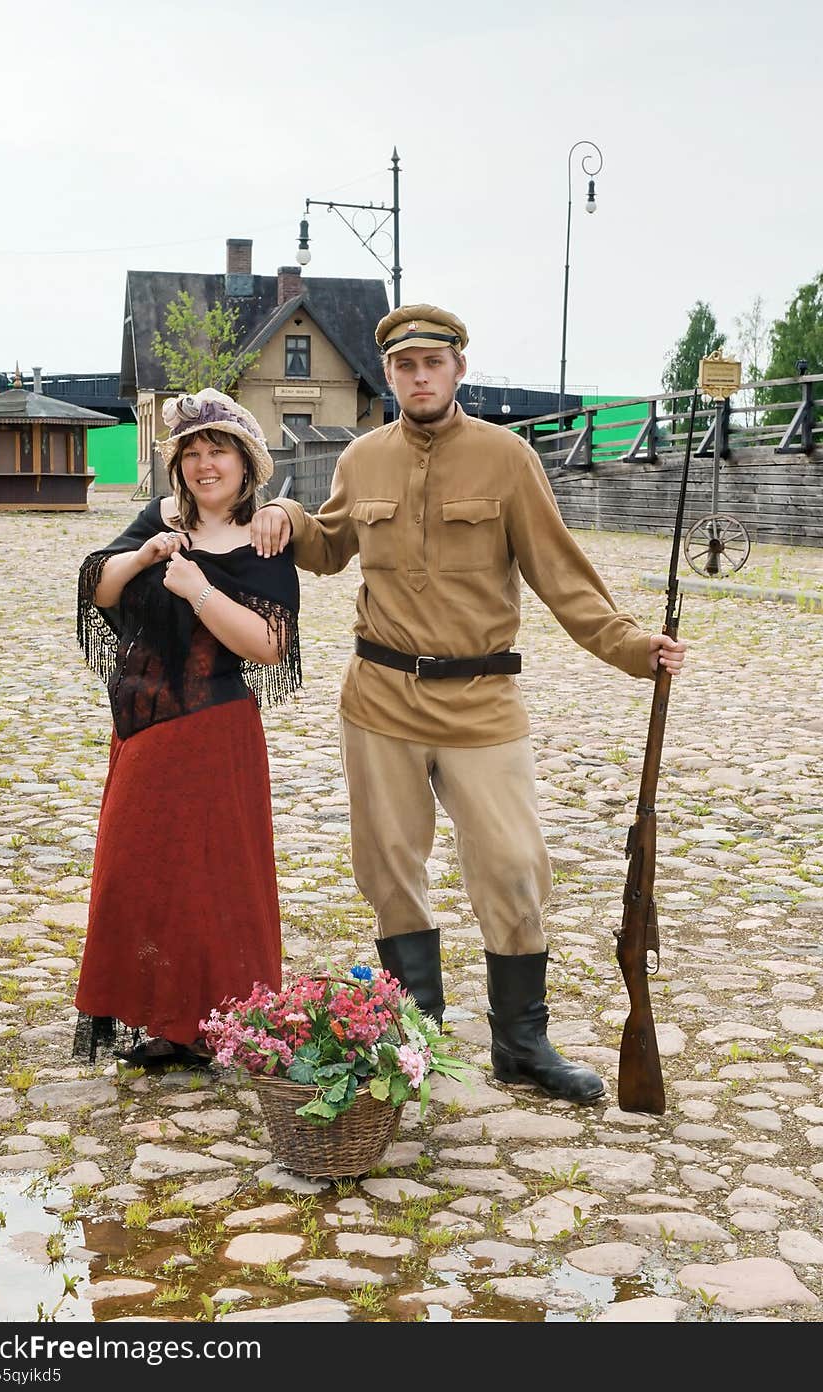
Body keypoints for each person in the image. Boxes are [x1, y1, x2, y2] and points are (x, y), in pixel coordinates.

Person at [249, 305, 687, 1106]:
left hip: (483, 699)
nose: (419, 376)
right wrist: (286, 516)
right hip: (380, 697)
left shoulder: (508, 459)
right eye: (405, 365)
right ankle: (413, 1037)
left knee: (516, 865)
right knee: (388, 866)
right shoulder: (361, 458)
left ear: (458, 370)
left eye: (433, 363)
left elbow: (563, 576)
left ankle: (520, 1042)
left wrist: (633, 646)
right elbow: (332, 545)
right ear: (389, 375)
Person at [72, 388, 301, 1069]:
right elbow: (99, 588)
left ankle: (216, 1026)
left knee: (216, 880)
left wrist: (198, 589)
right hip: (144, 727)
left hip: (214, 730)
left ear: (244, 464)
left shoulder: (264, 537)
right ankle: (165, 1018)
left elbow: (269, 645)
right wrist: (146, 556)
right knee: (137, 873)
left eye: (218, 452)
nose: (204, 465)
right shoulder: (159, 517)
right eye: (193, 454)